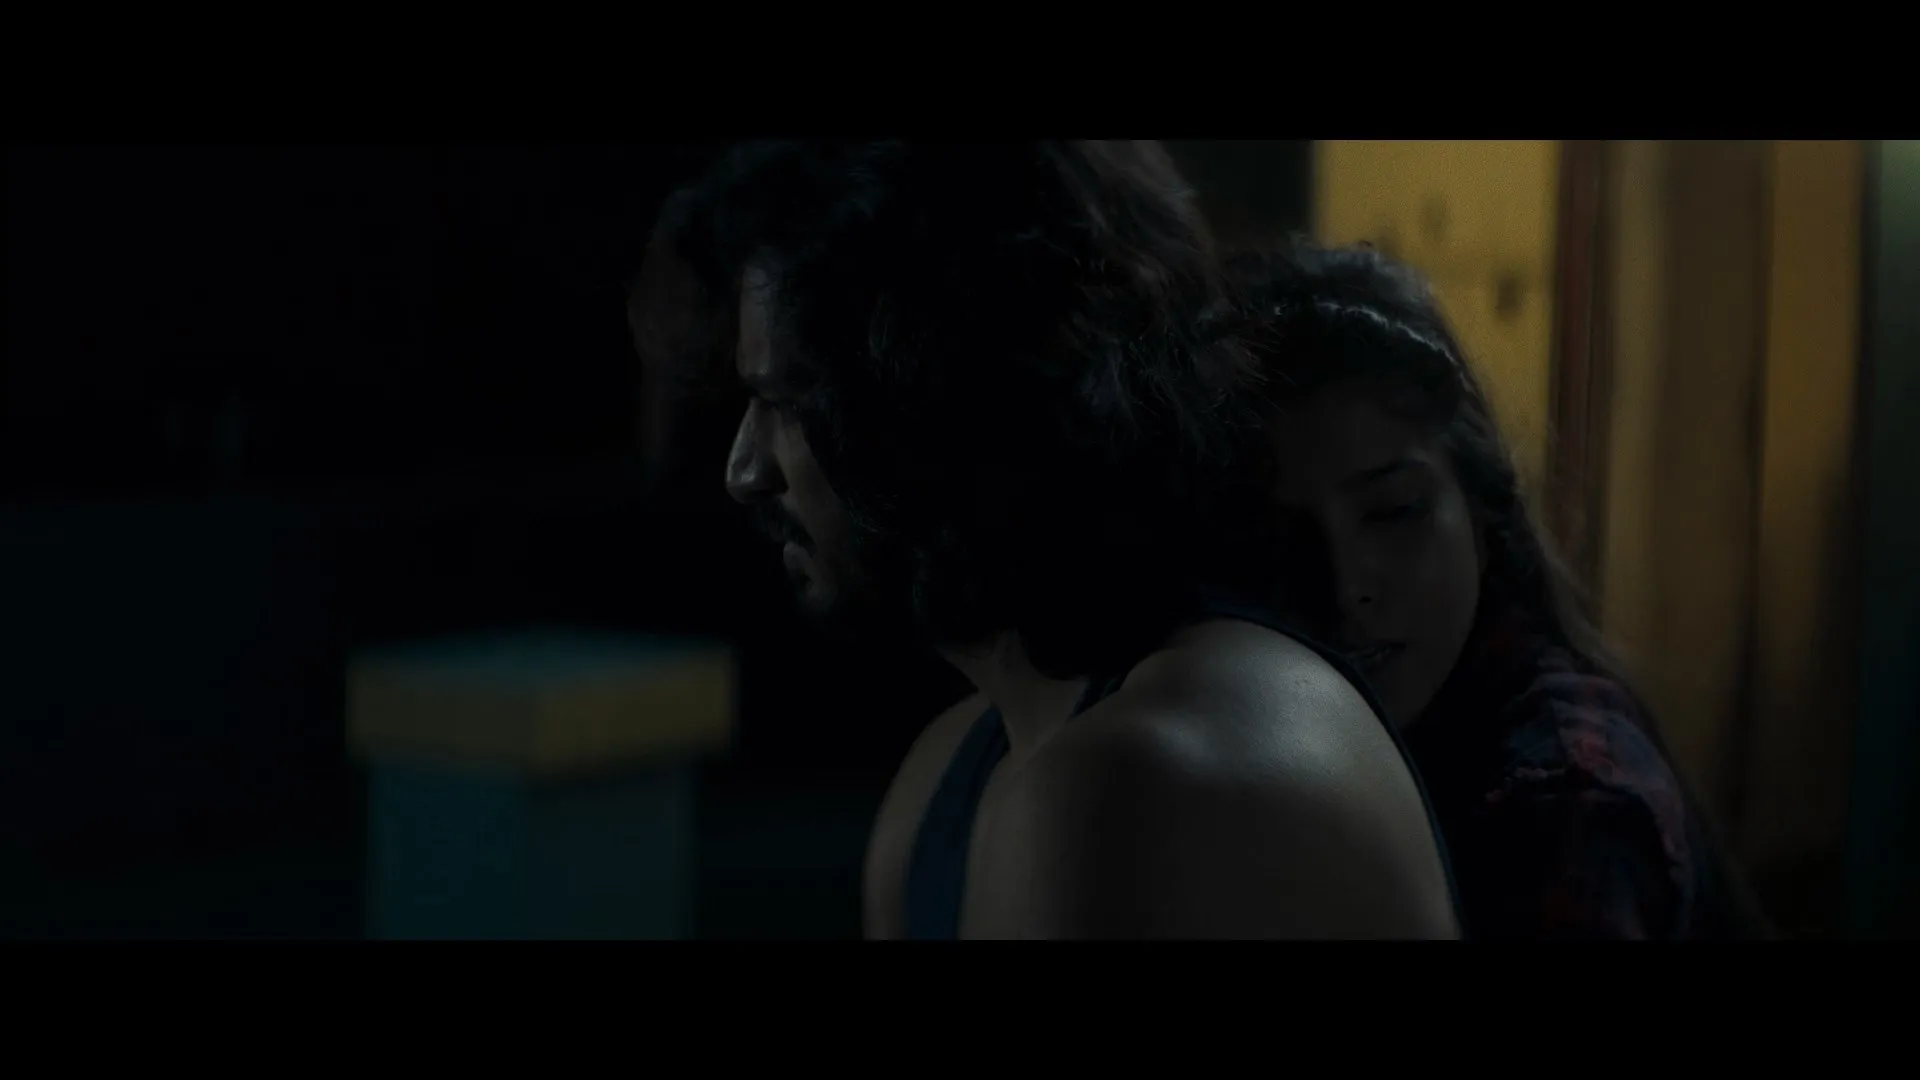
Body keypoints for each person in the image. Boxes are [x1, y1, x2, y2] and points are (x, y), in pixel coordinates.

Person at [634, 141, 1461, 939]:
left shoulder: (1130, 776)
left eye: (790, 400)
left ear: (938, 387)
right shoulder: (951, 773)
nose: (746, 470)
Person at [1229, 240, 1772, 939]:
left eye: (1394, 511)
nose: (1345, 583)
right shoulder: (1291, 737)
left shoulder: (1563, 802)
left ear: (1480, 504)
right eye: (1283, 534)